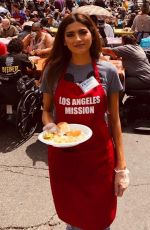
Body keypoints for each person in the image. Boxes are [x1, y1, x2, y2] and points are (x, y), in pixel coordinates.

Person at [40, 13, 129, 230]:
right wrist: (50, 125)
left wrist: (121, 166)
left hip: (99, 158)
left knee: (99, 218)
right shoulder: (53, 70)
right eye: (70, 34)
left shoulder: (108, 71)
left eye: (83, 32)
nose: (77, 38)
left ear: (92, 34)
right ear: (63, 39)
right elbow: (46, 110)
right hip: (64, 158)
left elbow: (115, 120)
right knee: (73, 217)